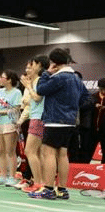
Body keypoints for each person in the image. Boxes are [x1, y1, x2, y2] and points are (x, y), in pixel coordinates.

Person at [29, 48, 89, 200]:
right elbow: (86, 97)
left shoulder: (58, 77)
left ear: (53, 62)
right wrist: (72, 107)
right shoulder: (76, 78)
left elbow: (41, 89)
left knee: (48, 153)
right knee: (62, 154)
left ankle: (48, 189)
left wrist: (46, 73)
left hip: (55, 120)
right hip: (70, 121)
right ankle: (62, 189)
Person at [18, 56, 48, 193]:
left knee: (30, 151)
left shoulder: (40, 81)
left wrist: (28, 86)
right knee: (37, 152)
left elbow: (37, 97)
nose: (27, 70)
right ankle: (41, 182)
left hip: (38, 118)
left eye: (31, 66)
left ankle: (38, 183)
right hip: (35, 117)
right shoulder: (35, 81)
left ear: (39, 66)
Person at [0, 70, 23, 186]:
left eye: (2, 77)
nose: (0, 79)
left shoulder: (17, 92)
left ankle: (12, 177)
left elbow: (16, 109)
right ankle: (2, 175)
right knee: (0, 151)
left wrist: (0, 112)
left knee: (10, 151)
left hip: (10, 123)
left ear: (9, 80)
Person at [92, 78, 105, 164]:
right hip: (93, 129)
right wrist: (94, 105)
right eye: (101, 88)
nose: (103, 91)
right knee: (88, 150)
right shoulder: (94, 96)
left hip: (104, 129)